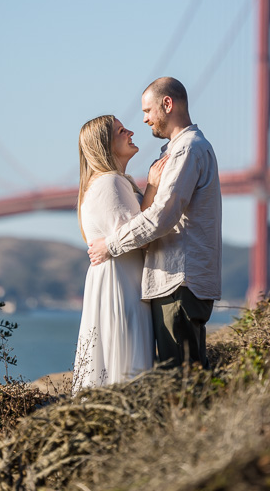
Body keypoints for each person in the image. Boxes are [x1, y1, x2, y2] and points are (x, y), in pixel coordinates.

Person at [88, 77, 222, 370]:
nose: (145, 119)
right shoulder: (180, 150)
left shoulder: (187, 150)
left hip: (178, 280)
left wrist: (110, 246)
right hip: (179, 280)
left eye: (148, 110)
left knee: (181, 379)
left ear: (167, 104)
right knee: (188, 375)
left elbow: (163, 216)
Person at [72, 114, 167, 393]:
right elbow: (141, 236)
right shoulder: (110, 183)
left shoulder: (110, 182)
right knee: (126, 368)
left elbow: (133, 229)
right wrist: (152, 187)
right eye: (120, 131)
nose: (131, 132)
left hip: (118, 281)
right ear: (105, 145)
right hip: (121, 287)